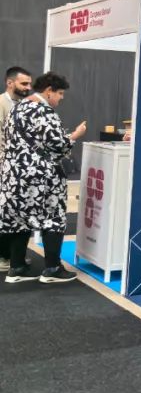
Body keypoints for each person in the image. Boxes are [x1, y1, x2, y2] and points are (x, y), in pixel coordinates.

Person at [1, 72, 87, 284]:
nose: (60, 99)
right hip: (41, 176)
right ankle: (52, 269)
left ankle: (16, 268)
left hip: (13, 174)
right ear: (49, 91)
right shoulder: (44, 111)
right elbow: (58, 145)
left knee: (19, 220)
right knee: (53, 218)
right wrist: (75, 135)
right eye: (60, 94)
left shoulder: (17, 108)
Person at [0, 66, 33, 272]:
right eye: (24, 83)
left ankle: (11, 256)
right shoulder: (1, 104)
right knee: (4, 215)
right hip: (5, 169)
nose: (28, 87)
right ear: (9, 83)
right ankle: (3, 257)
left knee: (15, 215)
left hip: (19, 170)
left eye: (29, 83)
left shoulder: (24, 105)